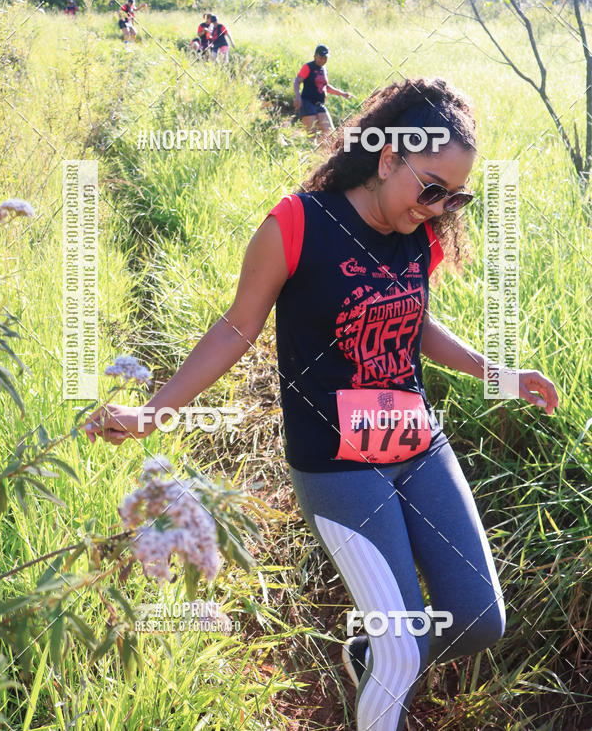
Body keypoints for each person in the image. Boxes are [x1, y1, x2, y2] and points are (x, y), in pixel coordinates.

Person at [84, 77, 559, 731]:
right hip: (338, 465)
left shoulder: (419, 234)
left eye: (456, 196)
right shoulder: (297, 225)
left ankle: (371, 655)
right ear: (387, 159)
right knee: (403, 648)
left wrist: (498, 373)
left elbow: (412, 320)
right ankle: (389, 660)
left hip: (417, 443)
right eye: (431, 189)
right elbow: (236, 328)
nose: (440, 208)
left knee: (479, 618)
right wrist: (151, 413)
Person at [294, 44, 352, 137]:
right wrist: (297, 96)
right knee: (312, 136)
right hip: (307, 103)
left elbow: (326, 86)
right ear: (315, 56)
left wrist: (343, 93)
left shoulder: (324, 69)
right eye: (321, 57)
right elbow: (297, 81)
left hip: (319, 105)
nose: (323, 60)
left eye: (325, 58)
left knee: (330, 134)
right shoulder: (308, 67)